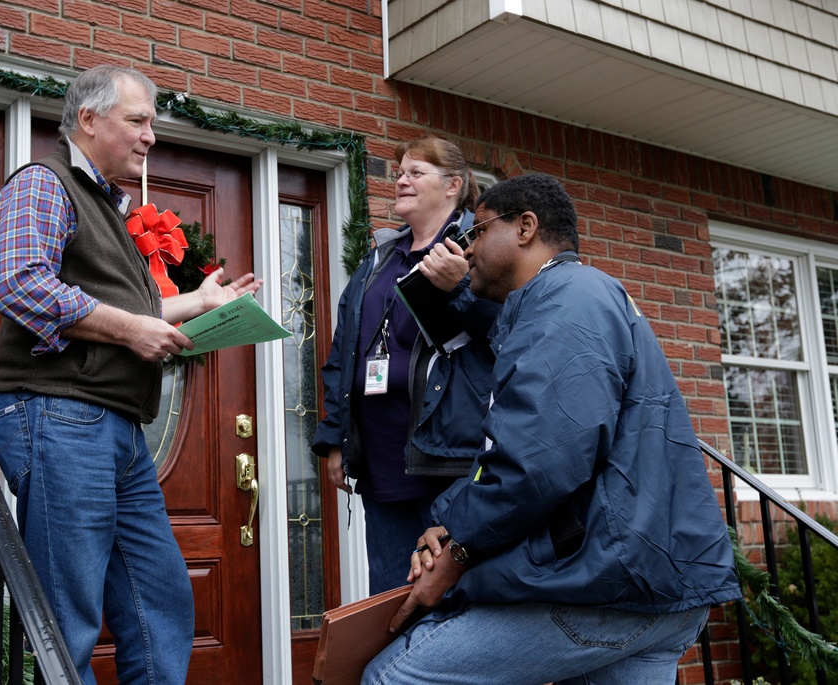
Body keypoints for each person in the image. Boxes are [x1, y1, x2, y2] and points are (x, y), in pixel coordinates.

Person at [362, 173, 741, 685]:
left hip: (609, 584)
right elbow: (528, 445)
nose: (467, 250)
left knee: (393, 677)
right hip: (650, 584)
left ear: (525, 227)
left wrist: (456, 553)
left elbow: (537, 462)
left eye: (477, 231)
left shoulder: (565, 304)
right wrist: (453, 521)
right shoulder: (570, 300)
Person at [0, 65, 261, 685]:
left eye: (151, 124)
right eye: (137, 121)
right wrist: (129, 329)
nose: (150, 138)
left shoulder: (110, 206)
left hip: (117, 430)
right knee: (68, 621)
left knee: (160, 599)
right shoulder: (43, 183)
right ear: (88, 120)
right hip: (58, 418)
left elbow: (131, 313)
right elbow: (16, 283)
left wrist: (199, 304)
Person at [312, 136, 500, 594]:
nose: (401, 179)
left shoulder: (481, 249)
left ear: (453, 185)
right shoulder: (379, 258)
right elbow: (345, 350)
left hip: (450, 457)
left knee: (452, 596)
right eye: (399, 171)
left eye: (416, 172)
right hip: (381, 456)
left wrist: (461, 289)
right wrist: (335, 438)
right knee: (391, 596)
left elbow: (509, 331)